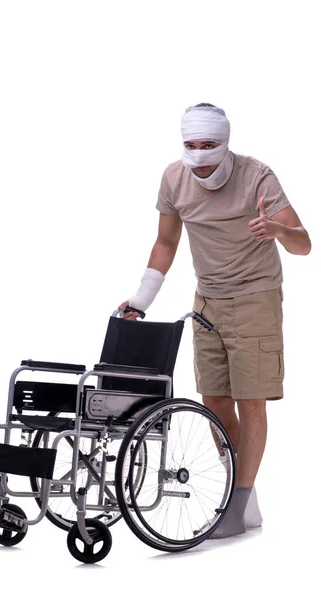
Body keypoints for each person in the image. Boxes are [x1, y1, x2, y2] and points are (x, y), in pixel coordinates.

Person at [118, 103, 311, 538]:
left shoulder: (257, 176)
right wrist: (141, 299)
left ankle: (234, 506)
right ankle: (244, 497)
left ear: (225, 142)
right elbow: (166, 241)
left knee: (251, 401)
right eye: (192, 145)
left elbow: (304, 245)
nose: (201, 156)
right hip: (207, 301)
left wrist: (278, 231)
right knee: (215, 402)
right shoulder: (173, 177)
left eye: (209, 145)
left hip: (255, 298)